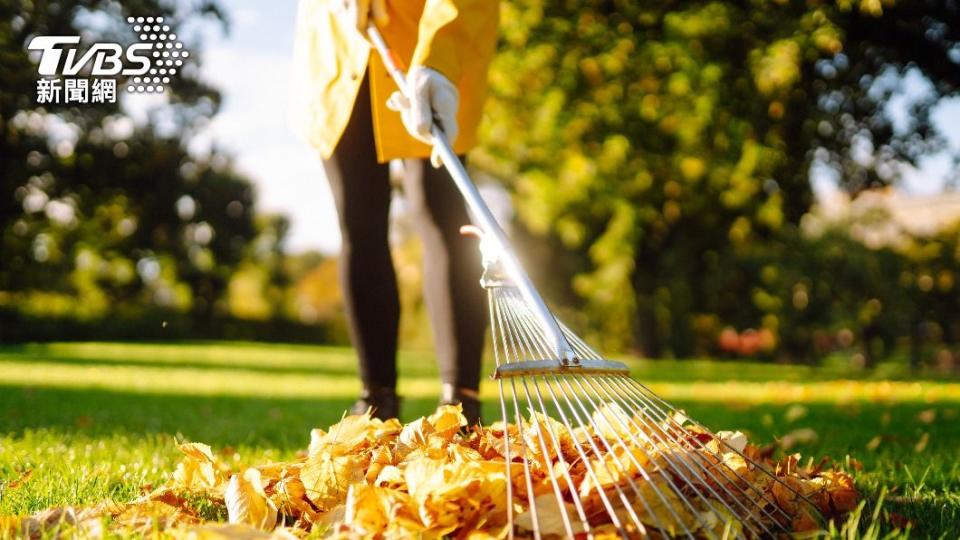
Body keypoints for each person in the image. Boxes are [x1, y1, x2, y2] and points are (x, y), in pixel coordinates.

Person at [290, 0, 499, 425]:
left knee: (442, 215)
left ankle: (460, 407)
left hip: (424, 42)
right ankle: (376, 402)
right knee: (359, 223)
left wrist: (439, 60)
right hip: (338, 45)